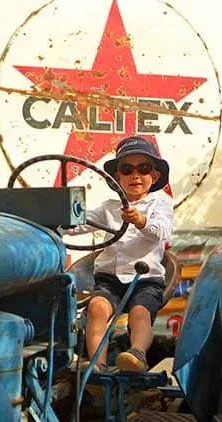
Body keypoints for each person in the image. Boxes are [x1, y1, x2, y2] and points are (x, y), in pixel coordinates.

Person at [65, 135, 175, 372]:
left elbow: (162, 231)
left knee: (139, 312)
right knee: (96, 309)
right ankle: (97, 364)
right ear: (118, 178)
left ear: (154, 176)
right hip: (110, 279)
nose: (135, 175)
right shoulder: (109, 207)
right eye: (127, 169)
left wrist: (140, 220)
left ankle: (136, 354)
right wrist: (56, 222)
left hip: (145, 279)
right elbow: (79, 224)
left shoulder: (160, 203)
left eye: (143, 168)